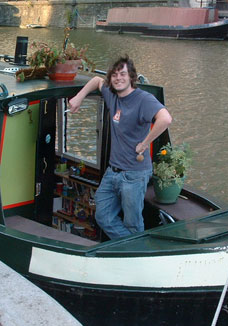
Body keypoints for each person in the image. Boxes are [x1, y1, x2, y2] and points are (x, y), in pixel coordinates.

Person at [68, 55, 172, 239]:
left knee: (132, 223)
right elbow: (96, 80)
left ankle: (133, 253)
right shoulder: (111, 94)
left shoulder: (143, 99)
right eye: (114, 75)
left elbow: (165, 119)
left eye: (122, 74)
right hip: (113, 171)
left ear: (131, 77)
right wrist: (79, 97)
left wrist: (145, 142)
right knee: (103, 215)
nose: (118, 78)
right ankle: (131, 247)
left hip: (134, 174)